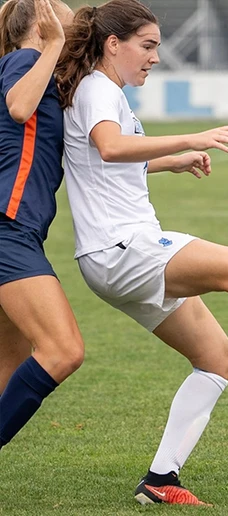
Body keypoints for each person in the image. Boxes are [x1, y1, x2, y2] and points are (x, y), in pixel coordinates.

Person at [55, 0, 228, 506]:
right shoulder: (98, 88)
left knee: (215, 359)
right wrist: (192, 135)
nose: (155, 57)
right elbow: (111, 149)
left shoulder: (103, 92)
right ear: (113, 44)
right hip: (122, 247)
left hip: (111, 256)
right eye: (148, 45)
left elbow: (102, 164)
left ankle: (162, 480)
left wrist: (172, 161)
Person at [0, 0, 82, 451]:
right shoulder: (25, 61)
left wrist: (171, 161)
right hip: (6, 229)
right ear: (44, 22)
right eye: (67, 15)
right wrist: (52, 46)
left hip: (18, 232)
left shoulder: (44, 73)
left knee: (7, 373)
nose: (76, 20)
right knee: (63, 350)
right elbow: (18, 107)